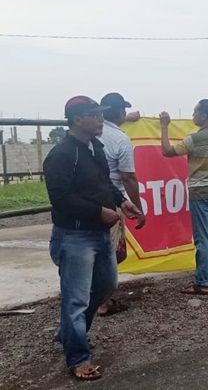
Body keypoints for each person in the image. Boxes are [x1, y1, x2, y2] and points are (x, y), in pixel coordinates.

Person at [44, 96, 142, 381]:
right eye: (94, 115)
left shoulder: (95, 148)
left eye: (100, 115)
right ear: (77, 120)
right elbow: (60, 199)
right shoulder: (61, 155)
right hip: (75, 236)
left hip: (99, 234)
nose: (101, 120)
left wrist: (121, 202)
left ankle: (68, 333)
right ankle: (78, 357)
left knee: (106, 285)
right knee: (75, 300)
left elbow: (104, 185)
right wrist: (98, 212)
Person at [159, 99, 208, 295]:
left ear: (203, 116)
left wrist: (164, 127)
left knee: (202, 239)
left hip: (200, 194)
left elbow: (167, 151)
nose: (193, 115)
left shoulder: (193, 140)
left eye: (195, 112)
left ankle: (203, 282)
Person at [95, 92, 146, 316]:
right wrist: (138, 206)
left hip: (86, 200)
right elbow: (128, 177)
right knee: (112, 252)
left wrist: (129, 118)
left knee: (95, 250)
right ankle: (103, 301)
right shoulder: (120, 139)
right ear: (120, 113)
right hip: (111, 200)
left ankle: (95, 296)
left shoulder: (91, 134)